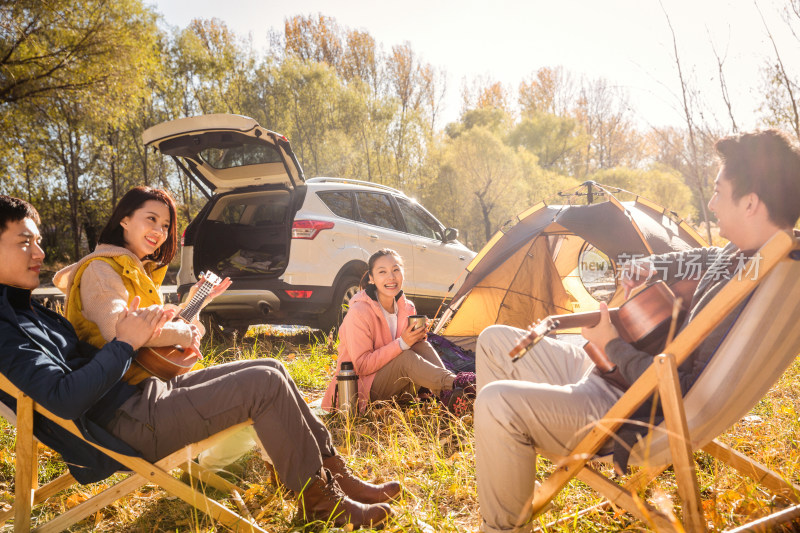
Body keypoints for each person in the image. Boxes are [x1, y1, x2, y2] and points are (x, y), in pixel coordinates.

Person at [0, 195, 399, 529]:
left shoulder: (33, 313)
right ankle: (320, 502)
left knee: (271, 368)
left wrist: (166, 328)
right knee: (264, 385)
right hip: (122, 426)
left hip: (138, 399)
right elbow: (63, 399)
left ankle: (335, 477)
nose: (40, 253)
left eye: (37, 242)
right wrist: (125, 343)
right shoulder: (6, 328)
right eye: (24, 243)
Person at [473, 129, 800, 533]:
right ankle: (505, 473)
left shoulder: (747, 289)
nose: (712, 204)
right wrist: (651, 267)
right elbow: (706, 255)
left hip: (633, 408)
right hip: (622, 378)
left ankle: (503, 524)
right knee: (493, 342)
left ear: (750, 203)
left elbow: (675, 387)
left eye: (718, 192)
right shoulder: (758, 257)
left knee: (496, 404)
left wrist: (609, 343)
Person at [52, 186, 253, 476]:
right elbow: (121, 332)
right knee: (256, 388)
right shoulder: (101, 271)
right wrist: (186, 335)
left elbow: (158, 344)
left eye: (166, 225)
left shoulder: (135, 270)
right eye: (151, 219)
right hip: (127, 400)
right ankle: (214, 467)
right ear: (124, 219)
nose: (159, 231)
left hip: (148, 384)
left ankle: (213, 468)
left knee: (260, 380)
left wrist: (197, 301)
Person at [321, 248, 475, 415]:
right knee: (405, 356)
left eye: (396, 270)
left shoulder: (407, 307)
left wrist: (416, 338)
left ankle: (449, 394)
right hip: (359, 392)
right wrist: (402, 343)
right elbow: (362, 365)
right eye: (382, 272)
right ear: (371, 278)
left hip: (396, 387)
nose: (391, 277)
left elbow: (408, 349)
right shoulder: (359, 312)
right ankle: (459, 384)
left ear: (403, 273)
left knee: (422, 346)